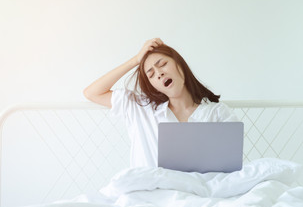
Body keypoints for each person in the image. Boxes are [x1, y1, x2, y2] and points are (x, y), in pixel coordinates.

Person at [83, 38, 238, 167]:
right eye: (150, 74)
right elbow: (92, 93)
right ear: (152, 85)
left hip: (198, 195)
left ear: (179, 64)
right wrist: (136, 60)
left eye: (163, 64)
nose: (159, 73)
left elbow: (228, 166)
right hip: (150, 198)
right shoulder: (140, 108)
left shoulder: (217, 113)